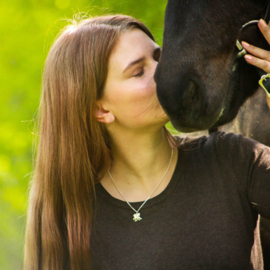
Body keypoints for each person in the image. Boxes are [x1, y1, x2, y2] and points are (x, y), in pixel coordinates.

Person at [24, 15, 270, 270]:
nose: (164, 71)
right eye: (139, 71)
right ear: (101, 110)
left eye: (159, 57)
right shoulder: (72, 221)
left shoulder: (230, 160)